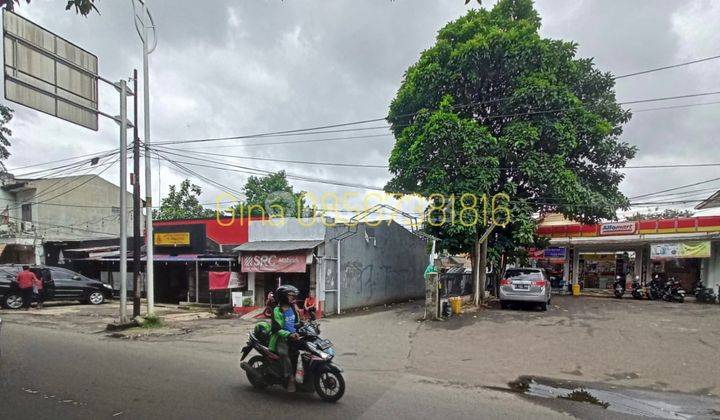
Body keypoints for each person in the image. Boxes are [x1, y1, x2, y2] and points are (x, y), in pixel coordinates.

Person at [269, 285, 301, 392]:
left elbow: (297, 323)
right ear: (283, 297)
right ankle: (290, 378)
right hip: (280, 339)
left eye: (293, 296)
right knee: (285, 354)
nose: (293, 298)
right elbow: (276, 329)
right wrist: (289, 335)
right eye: (290, 296)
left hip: (294, 337)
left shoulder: (292, 308)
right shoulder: (277, 311)